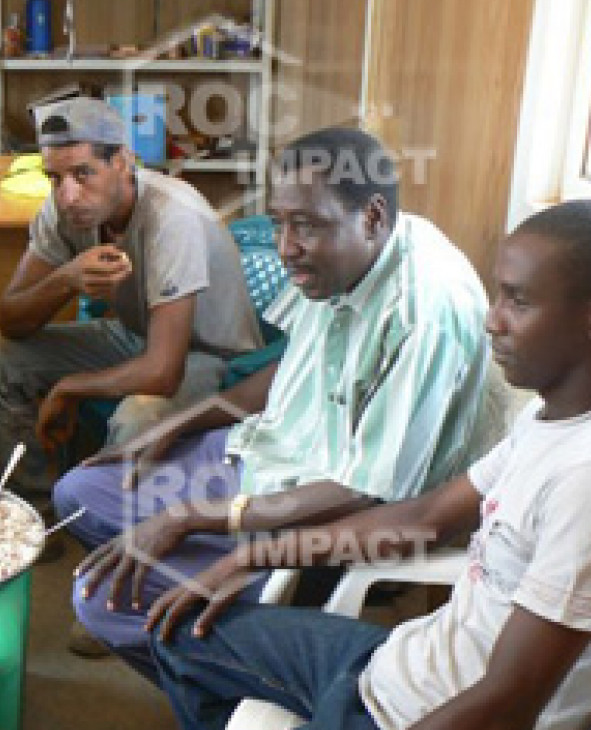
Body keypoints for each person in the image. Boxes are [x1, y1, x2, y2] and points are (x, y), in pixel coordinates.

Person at [92, 198, 591, 730]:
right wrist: (250, 558)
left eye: (518, 301)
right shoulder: (551, 421)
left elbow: (505, 709)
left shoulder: (589, 477)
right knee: (176, 628)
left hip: (409, 725)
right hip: (401, 660)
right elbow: (424, 517)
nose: (492, 320)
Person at [55, 127, 494, 675]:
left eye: (305, 225)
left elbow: (366, 492)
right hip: (268, 455)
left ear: (373, 217)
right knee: (78, 494)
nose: (286, 247)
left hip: (327, 512)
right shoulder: (341, 259)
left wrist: (197, 519)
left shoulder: (425, 312)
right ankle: (207, 644)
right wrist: (178, 426)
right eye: (280, 222)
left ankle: (227, 684)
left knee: (103, 602)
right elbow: (289, 371)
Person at [0, 96, 264, 496]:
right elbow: (10, 321)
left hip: (211, 357)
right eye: (55, 178)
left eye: (82, 173)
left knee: (139, 415)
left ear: (122, 162)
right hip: (137, 337)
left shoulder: (172, 215)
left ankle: (109, 530)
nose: (68, 195)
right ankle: (34, 510)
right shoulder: (63, 210)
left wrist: (71, 386)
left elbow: (163, 371)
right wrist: (65, 280)